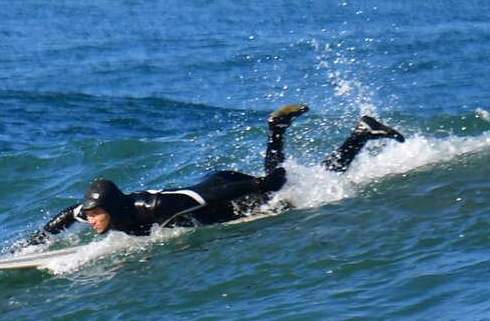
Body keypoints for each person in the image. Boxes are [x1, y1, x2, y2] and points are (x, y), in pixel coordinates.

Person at [28, 105, 405, 244]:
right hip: (210, 196)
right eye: (90, 215)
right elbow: (65, 215)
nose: (90, 220)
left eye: (95, 215)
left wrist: (260, 188)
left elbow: (203, 199)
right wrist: (33, 245)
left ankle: (347, 133)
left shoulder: (155, 207)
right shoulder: (99, 211)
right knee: (289, 180)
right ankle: (356, 132)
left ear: (111, 206)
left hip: (224, 190)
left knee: (280, 183)